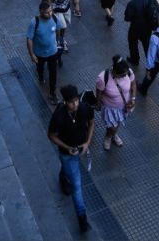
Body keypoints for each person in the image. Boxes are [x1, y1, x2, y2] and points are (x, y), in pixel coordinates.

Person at [48, 85, 95, 233]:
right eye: (71, 102)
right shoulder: (59, 116)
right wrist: (67, 148)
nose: (75, 104)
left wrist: (87, 142)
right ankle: (82, 218)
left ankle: (63, 177)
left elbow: (92, 121)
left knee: (68, 171)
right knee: (76, 186)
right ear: (64, 102)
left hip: (81, 147)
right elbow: (51, 135)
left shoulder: (84, 107)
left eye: (76, 100)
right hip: (67, 154)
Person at [96, 55, 136, 151]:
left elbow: (133, 84)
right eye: (122, 75)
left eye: (125, 74)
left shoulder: (128, 72)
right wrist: (98, 103)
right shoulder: (103, 78)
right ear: (114, 72)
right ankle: (109, 136)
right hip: (110, 108)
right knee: (112, 127)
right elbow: (98, 92)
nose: (124, 76)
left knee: (117, 123)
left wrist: (133, 98)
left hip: (124, 106)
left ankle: (113, 135)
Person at [27, 2, 61, 103]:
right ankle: (40, 76)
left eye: (51, 11)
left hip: (52, 52)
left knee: (53, 72)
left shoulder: (54, 18)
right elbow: (29, 39)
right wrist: (32, 54)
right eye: (47, 13)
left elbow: (58, 29)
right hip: (39, 53)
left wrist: (58, 41)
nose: (50, 14)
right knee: (40, 68)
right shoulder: (34, 22)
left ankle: (52, 92)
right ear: (41, 12)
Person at [124, 0, 158, 66]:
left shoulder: (132, 3)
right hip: (148, 28)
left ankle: (135, 59)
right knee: (147, 44)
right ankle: (150, 61)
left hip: (135, 28)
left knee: (133, 43)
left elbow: (127, 18)